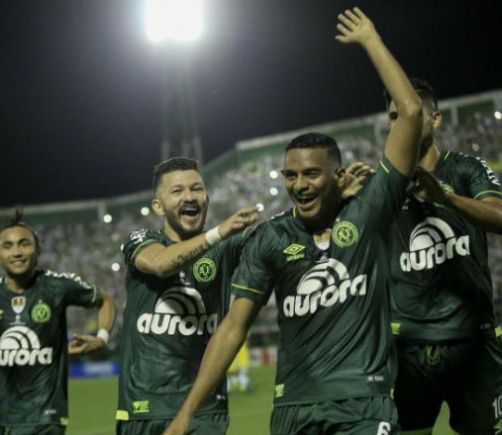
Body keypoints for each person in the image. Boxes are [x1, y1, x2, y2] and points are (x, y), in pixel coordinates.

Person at [164, 7, 422, 435]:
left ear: (338, 176)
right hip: (292, 410)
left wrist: (370, 40)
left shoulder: (370, 210)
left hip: (362, 404)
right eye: (291, 175)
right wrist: (186, 412)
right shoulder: (271, 237)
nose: (299, 184)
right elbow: (233, 328)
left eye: (312, 174)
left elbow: (410, 113)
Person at [384, 79, 502, 434]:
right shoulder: (382, 185)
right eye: (394, 116)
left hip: (473, 343)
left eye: (411, 113)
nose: (402, 123)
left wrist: (446, 198)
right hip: (408, 351)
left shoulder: (466, 168)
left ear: (435, 119)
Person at [115, 157, 259, 435]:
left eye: (196, 189)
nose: (189, 197)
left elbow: (279, 235)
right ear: (158, 206)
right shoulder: (141, 240)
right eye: (177, 191)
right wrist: (220, 232)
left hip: (204, 413)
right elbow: (161, 264)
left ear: (206, 197)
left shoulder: (226, 246)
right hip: (143, 410)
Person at [0, 211, 115, 435]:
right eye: (8, 246)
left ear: (38, 250)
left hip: (46, 419)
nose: (16, 252)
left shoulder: (57, 286)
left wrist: (101, 338)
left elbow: (105, 300)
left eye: (24, 244)